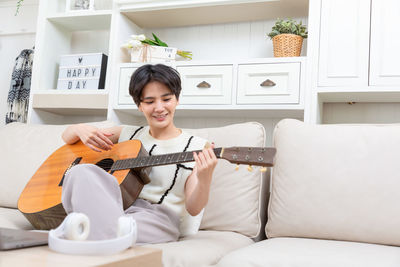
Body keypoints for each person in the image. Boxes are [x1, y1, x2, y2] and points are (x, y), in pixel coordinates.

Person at [61, 64, 218, 244]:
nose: (159, 108)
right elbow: (67, 137)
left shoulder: (198, 146)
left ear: (177, 100)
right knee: (79, 172)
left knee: (121, 227)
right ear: (139, 106)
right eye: (150, 102)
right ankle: (104, 233)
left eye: (166, 99)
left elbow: (194, 208)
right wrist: (78, 128)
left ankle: (88, 230)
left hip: (157, 219)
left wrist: (205, 177)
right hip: (117, 208)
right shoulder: (127, 134)